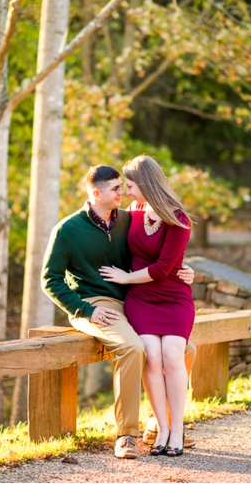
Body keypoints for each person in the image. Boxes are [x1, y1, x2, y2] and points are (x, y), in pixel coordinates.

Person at [42, 164, 196, 459]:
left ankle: (161, 425)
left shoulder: (129, 218)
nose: (123, 192)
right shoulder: (68, 229)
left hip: (133, 299)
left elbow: (159, 252)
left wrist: (185, 270)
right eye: (116, 188)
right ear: (96, 193)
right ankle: (127, 434)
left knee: (186, 349)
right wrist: (84, 309)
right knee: (132, 348)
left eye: (124, 186)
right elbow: (50, 279)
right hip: (96, 304)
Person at [99, 155, 194, 457]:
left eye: (129, 185)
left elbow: (164, 268)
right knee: (152, 357)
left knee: (172, 356)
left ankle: (178, 428)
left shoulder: (179, 220)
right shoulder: (132, 212)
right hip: (141, 300)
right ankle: (161, 429)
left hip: (173, 298)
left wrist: (126, 279)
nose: (126, 191)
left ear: (146, 184)